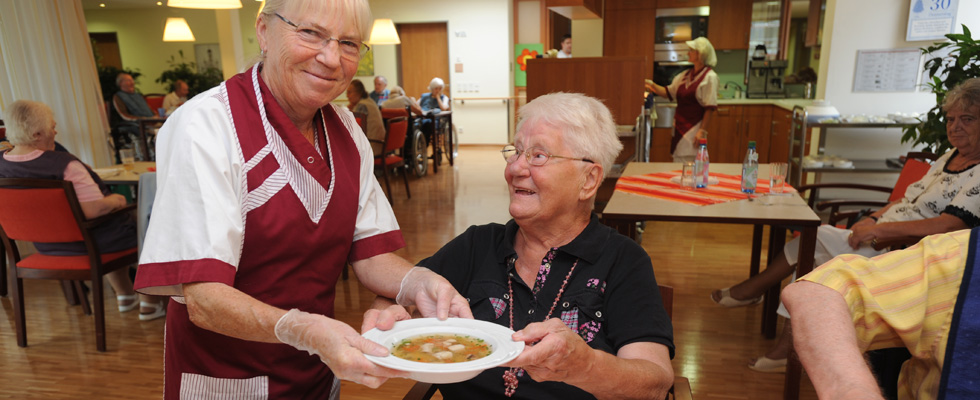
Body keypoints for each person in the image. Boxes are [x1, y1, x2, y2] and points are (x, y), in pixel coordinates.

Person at [132, 0, 471, 398]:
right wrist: (305, 329)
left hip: (316, 369)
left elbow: (370, 254)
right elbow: (204, 299)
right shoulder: (206, 126)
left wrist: (419, 283)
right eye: (310, 33)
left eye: (348, 43)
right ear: (263, 31)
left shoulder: (345, 129)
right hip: (227, 379)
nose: (330, 58)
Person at [365, 93, 675, 400]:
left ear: (589, 180)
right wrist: (387, 317)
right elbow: (399, 291)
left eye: (538, 156)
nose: (515, 169)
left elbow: (655, 383)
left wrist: (587, 366)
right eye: (516, 151)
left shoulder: (623, 260)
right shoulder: (478, 244)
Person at [712, 77, 980, 373]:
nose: (955, 127)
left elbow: (949, 226)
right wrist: (873, 218)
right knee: (810, 246)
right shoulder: (947, 157)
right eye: (951, 119)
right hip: (882, 235)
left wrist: (879, 231)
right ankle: (770, 320)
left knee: (812, 260)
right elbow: (907, 200)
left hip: (907, 254)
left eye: (967, 119)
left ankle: (760, 304)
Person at [0, 99, 166, 321]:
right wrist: (116, 200)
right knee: (151, 222)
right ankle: (150, 303)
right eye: (52, 126)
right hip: (91, 244)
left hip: (46, 247)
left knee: (117, 225)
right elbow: (93, 211)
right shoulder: (65, 165)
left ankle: (125, 295)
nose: (55, 131)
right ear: (37, 133)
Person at [783, 228, 980, 399]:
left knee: (817, 239)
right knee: (818, 239)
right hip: (882, 241)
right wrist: (853, 391)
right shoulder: (963, 258)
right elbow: (817, 293)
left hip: (883, 239)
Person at [644, 37, 718, 162]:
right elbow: (668, 92)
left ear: (700, 54)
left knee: (691, 163)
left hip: (694, 129)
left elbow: (709, 108)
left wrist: (702, 131)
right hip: (679, 127)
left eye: (691, 50)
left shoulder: (710, 77)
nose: (688, 53)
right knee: (678, 161)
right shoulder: (685, 75)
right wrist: (651, 85)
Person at [347, 79, 385, 156]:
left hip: (372, 147)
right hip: (381, 145)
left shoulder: (362, 105)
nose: (347, 96)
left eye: (349, 92)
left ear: (358, 93)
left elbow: (354, 130)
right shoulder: (369, 101)